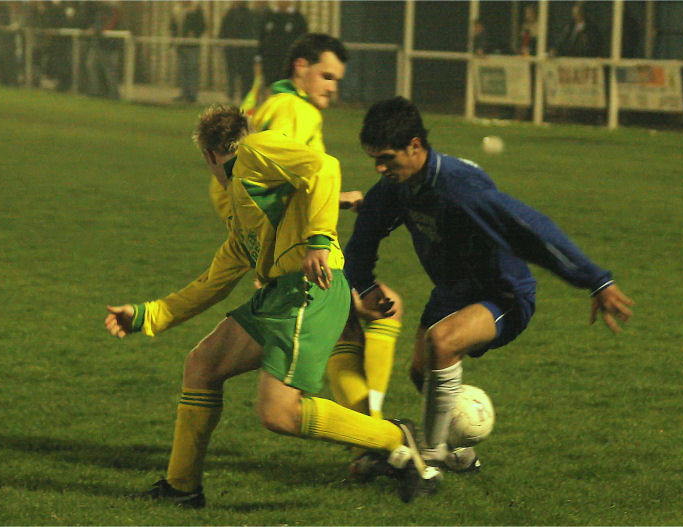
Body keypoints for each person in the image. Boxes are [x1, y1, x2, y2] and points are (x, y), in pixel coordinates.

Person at [104, 105, 435, 506]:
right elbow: (213, 283)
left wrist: (316, 239)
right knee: (202, 365)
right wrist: (145, 315)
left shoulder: (252, 151)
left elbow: (323, 167)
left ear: (208, 155)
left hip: (309, 289)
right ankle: (180, 488)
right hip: (281, 293)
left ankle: (396, 439)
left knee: (278, 413)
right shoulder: (245, 212)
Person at [344, 96, 634, 476]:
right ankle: (459, 454)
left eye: (386, 158)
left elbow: (531, 229)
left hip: (504, 293)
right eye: (375, 160)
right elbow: (366, 231)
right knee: (421, 372)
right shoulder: (398, 185)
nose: (380, 168)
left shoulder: (460, 187)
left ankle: (428, 460)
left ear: (415, 146)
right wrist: (363, 284)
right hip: (451, 292)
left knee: (442, 342)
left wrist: (595, 279)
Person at [217, 33, 404, 426]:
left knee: (350, 331)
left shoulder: (271, 106)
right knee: (385, 309)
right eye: (327, 77)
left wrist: (335, 200)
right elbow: (283, 178)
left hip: (284, 252)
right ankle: (383, 434)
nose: (333, 89)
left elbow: (259, 181)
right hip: (307, 258)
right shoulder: (295, 111)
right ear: (301, 68)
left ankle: (376, 436)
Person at [255, 1, 307, 96]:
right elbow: (262, 39)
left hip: (288, 63)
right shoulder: (269, 16)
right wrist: (258, 59)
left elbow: (303, 42)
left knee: (286, 89)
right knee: (270, 88)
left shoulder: (298, 18)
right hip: (270, 62)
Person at [219, 1, 255, 103]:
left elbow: (251, 31)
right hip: (231, 50)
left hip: (245, 51)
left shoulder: (249, 14)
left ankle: (245, 95)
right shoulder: (229, 14)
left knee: (245, 74)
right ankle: (230, 94)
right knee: (231, 73)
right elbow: (223, 30)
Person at [84, 1, 121, 99]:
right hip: (98, 44)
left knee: (109, 70)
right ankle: (96, 91)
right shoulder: (100, 11)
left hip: (108, 46)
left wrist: (96, 31)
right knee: (91, 66)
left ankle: (113, 94)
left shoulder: (112, 12)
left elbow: (110, 26)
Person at [171, 1, 205, 103]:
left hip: (192, 45)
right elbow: (172, 25)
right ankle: (184, 93)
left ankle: (192, 95)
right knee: (182, 70)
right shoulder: (176, 9)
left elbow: (202, 25)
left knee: (192, 69)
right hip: (180, 44)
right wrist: (173, 37)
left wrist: (194, 34)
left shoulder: (196, 9)